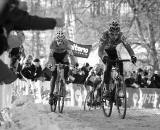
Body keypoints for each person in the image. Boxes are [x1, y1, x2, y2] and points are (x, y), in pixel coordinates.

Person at [0, 0, 65, 84]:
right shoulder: (11, 11)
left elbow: (32, 22)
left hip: (5, 40)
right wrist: (54, 22)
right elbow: (33, 22)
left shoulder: (14, 17)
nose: (25, 5)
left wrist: (54, 22)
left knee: (10, 77)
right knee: (10, 76)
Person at [98, 21, 137, 97]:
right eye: (112, 34)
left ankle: (119, 86)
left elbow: (129, 48)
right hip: (105, 52)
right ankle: (106, 89)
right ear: (109, 32)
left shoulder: (121, 36)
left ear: (118, 33)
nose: (114, 36)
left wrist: (133, 56)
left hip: (114, 51)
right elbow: (100, 51)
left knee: (120, 63)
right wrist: (103, 57)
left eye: (116, 34)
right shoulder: (104, 36)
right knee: (108, 66)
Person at [47, 31, 76, 105]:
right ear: (56, 40)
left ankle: (64, 81)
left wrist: (73, 64)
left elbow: (71, 55)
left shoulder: (66, 43)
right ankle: (51, 95)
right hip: (54, 57)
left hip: (64, 57)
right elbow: (50, 56)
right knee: (54, 76)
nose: (59, 42)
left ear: (64, 40)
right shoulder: (53, 43)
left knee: (67, 68)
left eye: (61, 40)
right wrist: (52, 65)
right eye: (58, 40)